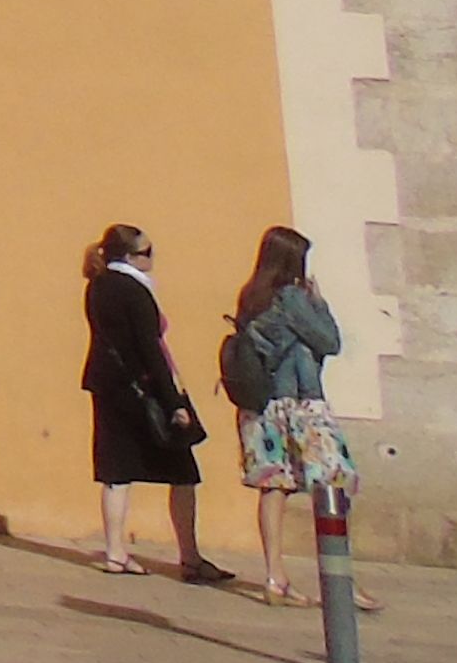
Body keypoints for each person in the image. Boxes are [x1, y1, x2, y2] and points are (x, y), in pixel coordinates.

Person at [223, 224, 351, 606]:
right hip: (299, 404)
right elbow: (330, 341)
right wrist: (319, 303)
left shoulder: (251, 296)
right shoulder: (293, 298)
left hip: (260, 408)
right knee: (333, 481)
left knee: (273, 487)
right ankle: (341, 576)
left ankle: (275, 575)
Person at [82, 224, 212, 579]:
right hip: (144, 389)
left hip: (107, 385)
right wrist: (174, 403)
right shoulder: (135, 291)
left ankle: (114, 552)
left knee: (115, 472)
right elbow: (149, 348)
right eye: (147, 252)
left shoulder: (97, 285)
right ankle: (190, 555)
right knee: (183, 471)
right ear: (129, 256)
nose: (152, 258)